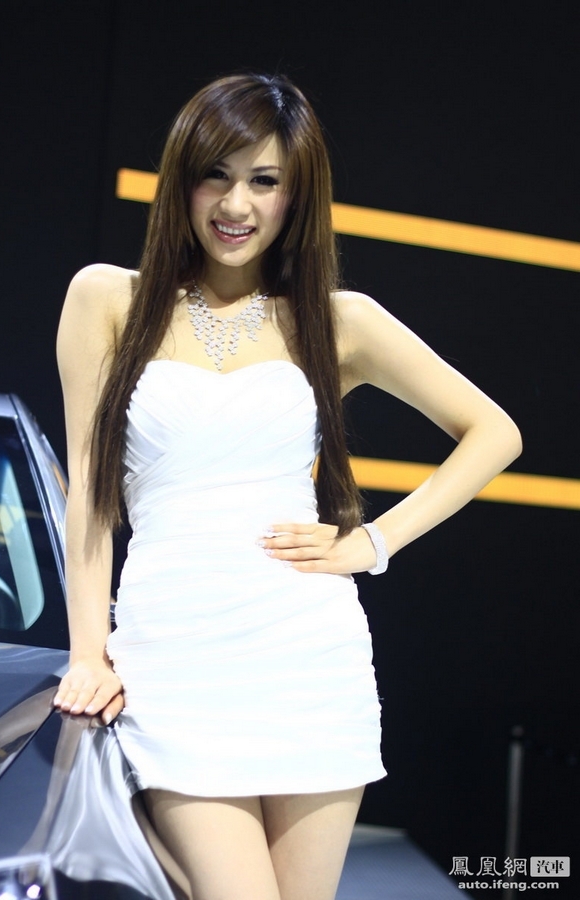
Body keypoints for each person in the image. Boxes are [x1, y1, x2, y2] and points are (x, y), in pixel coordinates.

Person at [54, 73, 521, 900]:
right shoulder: (105, 300)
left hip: (308, 659)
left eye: (264, 181)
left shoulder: (339, 319)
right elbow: (89, 498)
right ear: (181, 180)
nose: (236, 204)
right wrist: (88, 652)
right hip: (174, 660)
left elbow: (495, 433)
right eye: (216, 175)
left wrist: (372, 543)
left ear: (296, 197)